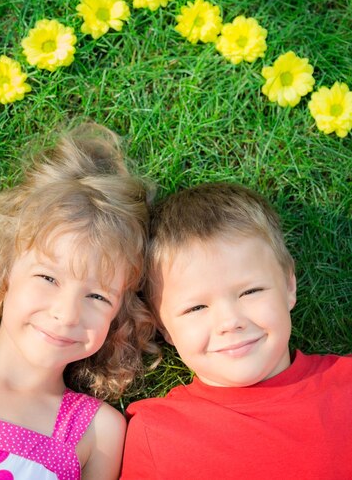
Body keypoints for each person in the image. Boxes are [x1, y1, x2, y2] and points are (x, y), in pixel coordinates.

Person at [0, 122, 156, 480]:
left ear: (119, 314)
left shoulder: (97, 432)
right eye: (49, 278)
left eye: (98, 295)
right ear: (5, 270)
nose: (66, 314)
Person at [120, 182, 352, 479]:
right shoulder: (156, 433)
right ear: (162, 325)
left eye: (251, 291)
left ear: (289, 285)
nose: (230, 322)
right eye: (196, 308)